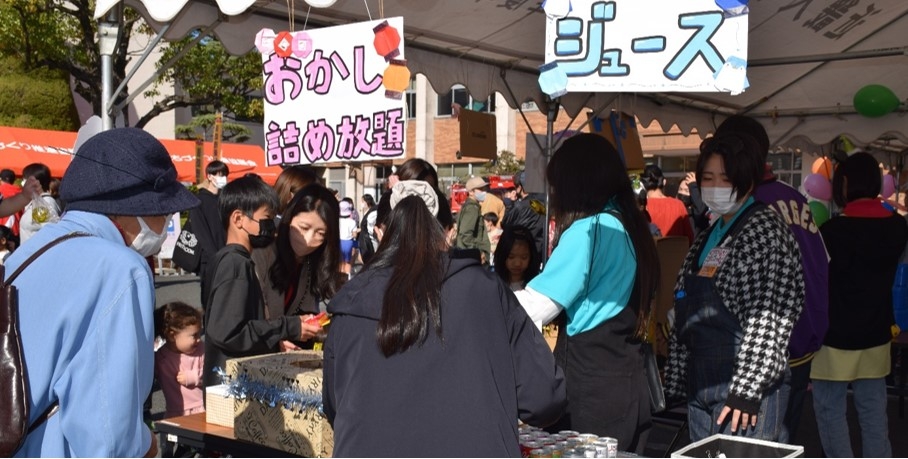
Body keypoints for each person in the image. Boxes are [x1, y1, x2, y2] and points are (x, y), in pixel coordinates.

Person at [323, 180, 566, 457]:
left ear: (381, 232)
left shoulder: (351, 302)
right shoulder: (484, 289)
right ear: (448, 232)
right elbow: (544, 398)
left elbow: (335, 406)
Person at [8, 127, 200, 457]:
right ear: (130, 207)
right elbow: (108, 434)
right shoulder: (120, 268)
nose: (167, 220)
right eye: (163, 210)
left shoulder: (30, 251)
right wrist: (147, 445)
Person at [514, 134, 659, 453]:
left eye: (557, 185)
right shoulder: (629, 226)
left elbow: (532, 307)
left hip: (590, 397)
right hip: (629, 387)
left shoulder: (590, 230)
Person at [664, 132, 804, 443]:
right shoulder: (713, 231)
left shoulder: (765, 230)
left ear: (747, 181)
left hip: (742, 389)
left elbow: (770, 315)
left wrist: (747, 388)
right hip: (703, 383)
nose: (714, 187)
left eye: (725, 178)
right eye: (707, 178)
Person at [715, 114, 829, 443]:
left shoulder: (743, 205)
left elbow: (715, 273)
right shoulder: (795, 199)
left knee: (748, 443)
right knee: (783, 439)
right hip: (801, 338)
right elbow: (821, 264)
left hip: (757, 351)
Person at [812, 152, 907, 458]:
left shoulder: (832, 232)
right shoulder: (898, 227)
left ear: (845, 183)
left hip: (834, 337)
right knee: (874, 412)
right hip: (877, 333)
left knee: (831, 412)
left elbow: (816, 286)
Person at [203, 176, 324, 388]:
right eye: (266, 218)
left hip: (226, 381)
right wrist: (290, 326)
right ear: (238, 219)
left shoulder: (225, 259)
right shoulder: (235, 264)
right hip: (231, 385)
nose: (271, 225)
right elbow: (229, 332)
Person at [252, 183, 343, 351]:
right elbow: (253, 315)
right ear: (289, 218)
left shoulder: (313, 259)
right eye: (303, 228)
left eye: (320, 233)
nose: (308, 240)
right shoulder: (262, 251)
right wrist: (275, 339)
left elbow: (306, 309)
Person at [154, 302, 205, 419]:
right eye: (194, 335)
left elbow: (213, 372)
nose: (198, 339)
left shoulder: (201, 350)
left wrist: (194, 377)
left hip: (201, 408)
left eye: (199, 334)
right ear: (172, 336)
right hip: (175, 412)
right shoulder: (161, 357)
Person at [191, 160, 230, 304]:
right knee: (210, 298)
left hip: (227, 254)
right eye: (218, 174)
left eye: (224, 174)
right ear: (209, 176)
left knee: (226, 297)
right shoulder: (198, 201)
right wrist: (215, 256)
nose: (222, 178)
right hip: (209, 259)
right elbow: (200, 232)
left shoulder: (225, 201)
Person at [641, 164, 694, 244]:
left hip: (651, 254)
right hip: (677, 254)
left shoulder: (642, 207)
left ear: (643, 184)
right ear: (664, 182)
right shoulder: (678, 205)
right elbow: (689, 237)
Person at [501, 170, 546, 257]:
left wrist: (510, 207)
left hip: (521, 249)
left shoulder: (520, 206)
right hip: (539, 249)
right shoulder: (539, 205)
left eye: (516, 186)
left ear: (521, 187)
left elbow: (505, 225)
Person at [19, 163, 61, 245]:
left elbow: (50, 236)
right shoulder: (35, 201)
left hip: (36, 255)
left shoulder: (43, 204)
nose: (22, 182)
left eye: (24, 179)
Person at [455, 176, 492, 264]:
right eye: (480, 189)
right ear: (471, 192)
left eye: (484, 189)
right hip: (473, 258)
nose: (484, 192)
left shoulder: (471, 207)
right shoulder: (472, 208)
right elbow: (465, 234)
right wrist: (479, 252)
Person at [494, 226, 540, 292]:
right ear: (502, 255)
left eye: (524, 257)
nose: (517, 264)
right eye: (511, 257)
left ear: (531, 257)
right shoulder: (494, 283)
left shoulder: (537, 285)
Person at [338, 199, 358, 276]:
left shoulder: (337, 221)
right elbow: (355, 235)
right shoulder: (352, 222)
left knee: (340, 261)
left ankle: (340, 275)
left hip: (339, 242)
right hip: (348, 242)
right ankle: (347, 275)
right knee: (347, 261)